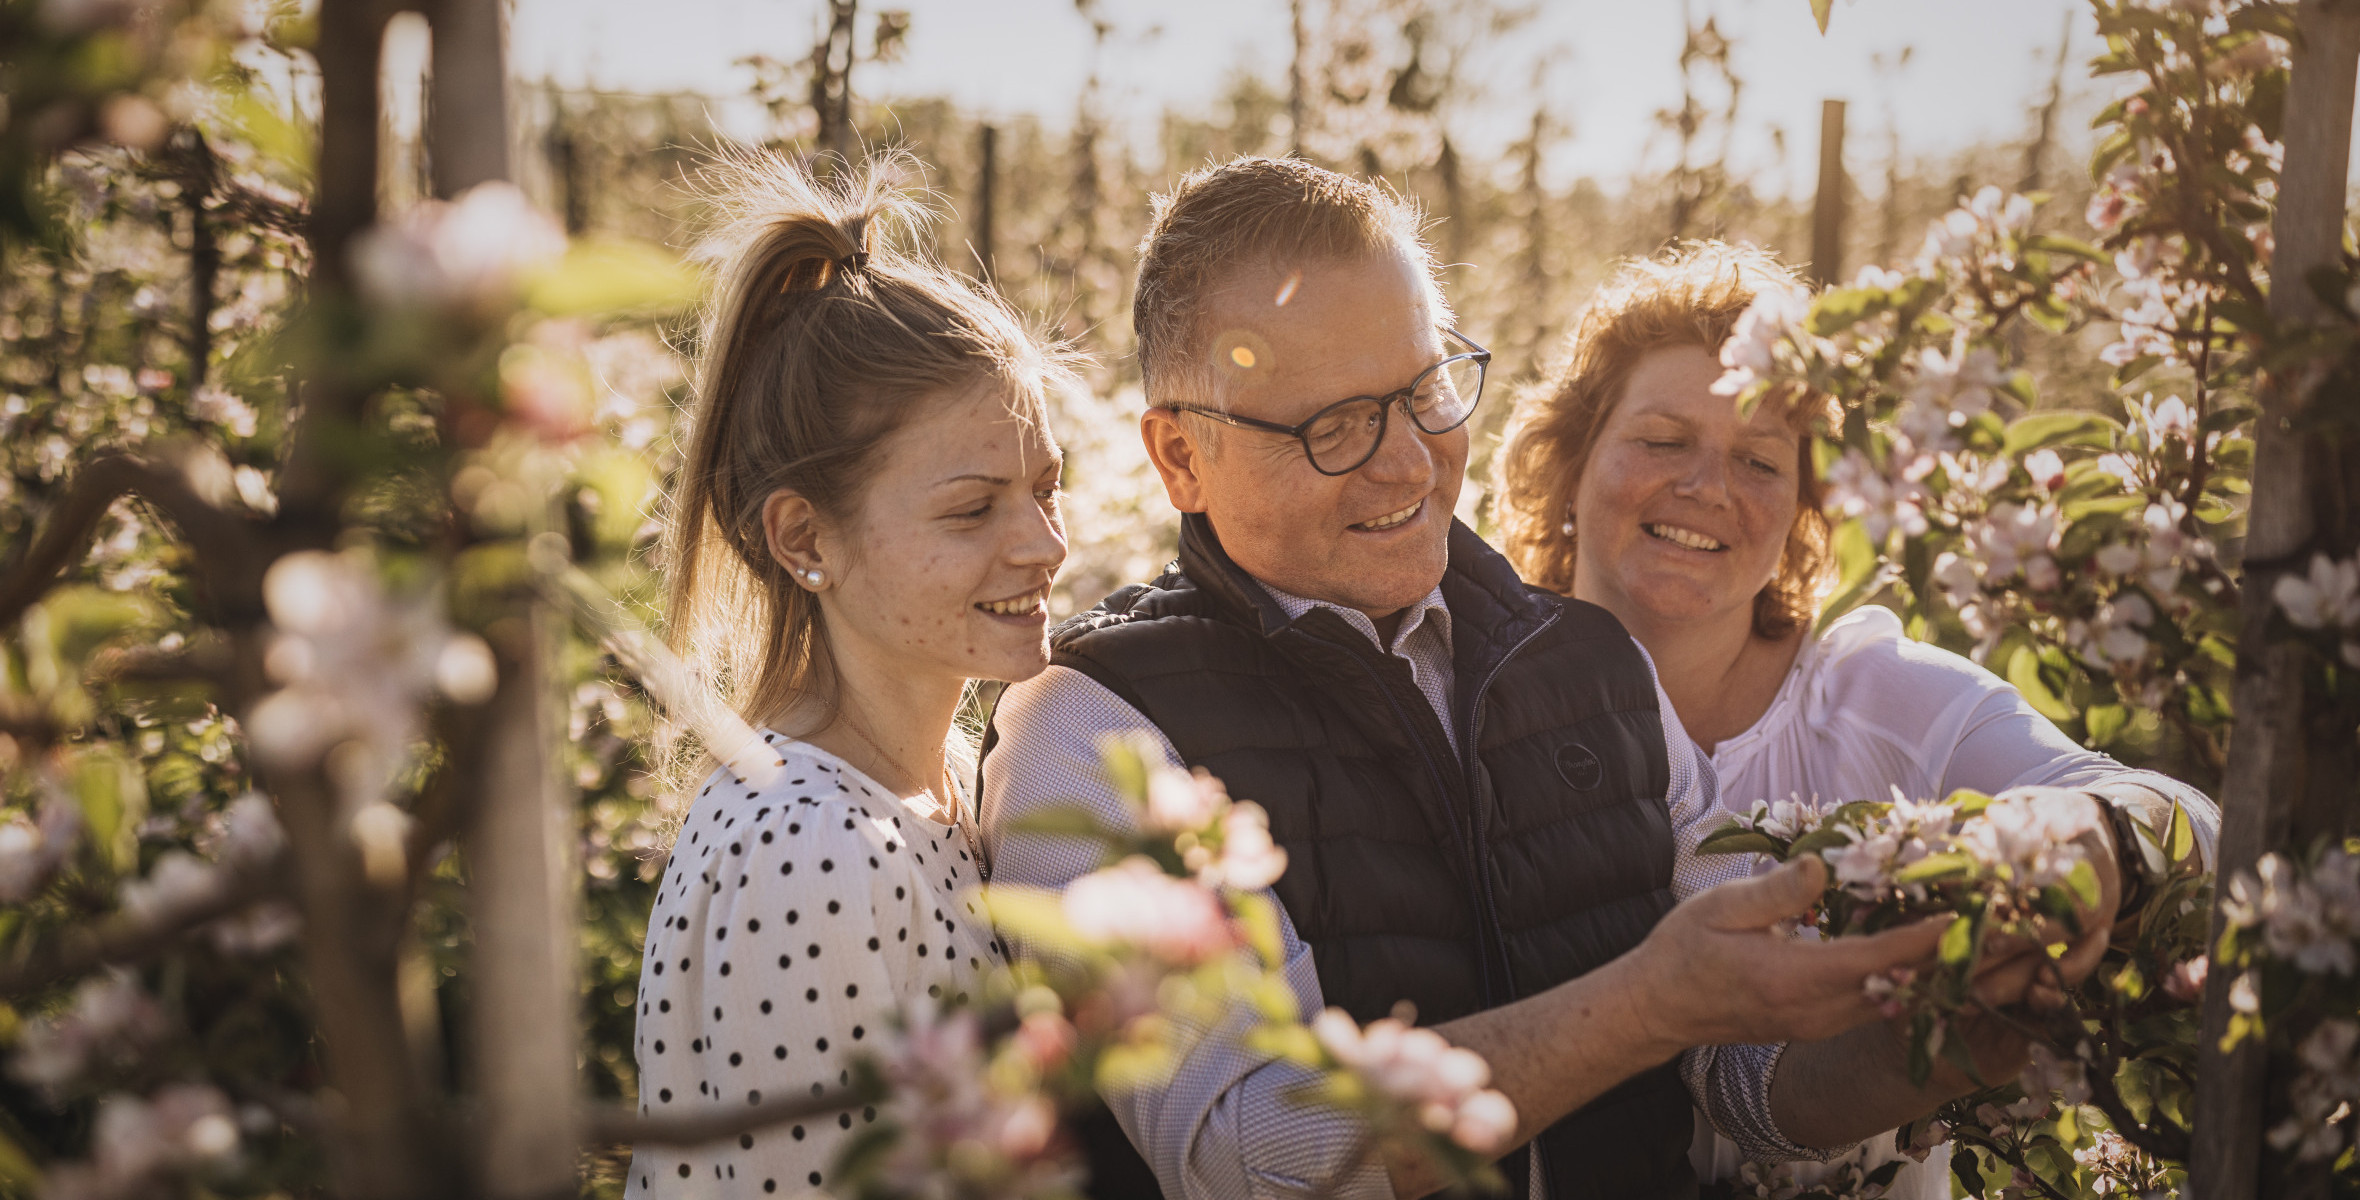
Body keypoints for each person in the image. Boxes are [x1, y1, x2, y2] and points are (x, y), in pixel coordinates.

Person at [978, 157, 2121, 1200]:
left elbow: (1736, 1076)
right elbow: (1248, 1154)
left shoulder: (1588, 662)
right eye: (1335, 425)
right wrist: (1641, 1004)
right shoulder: (1091, 729)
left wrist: (1933, 1047)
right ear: (1182, 456)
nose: (1408, 463)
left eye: (1424, 392)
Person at [1492, 240, 2220, 1197]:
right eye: (1663, 440)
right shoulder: (1474, 703)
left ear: (1806, 509)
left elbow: (2192, 821)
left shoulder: (1878, 698)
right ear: (1570, 460)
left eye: (1759, 460)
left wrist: (2097, 835)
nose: (1707, 487)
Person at [625, 152, 1073, 1198]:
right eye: (972, 510)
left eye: (1047, 488)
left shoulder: (941, 783)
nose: (1045, 545)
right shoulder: (809, 847)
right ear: (804, 539)